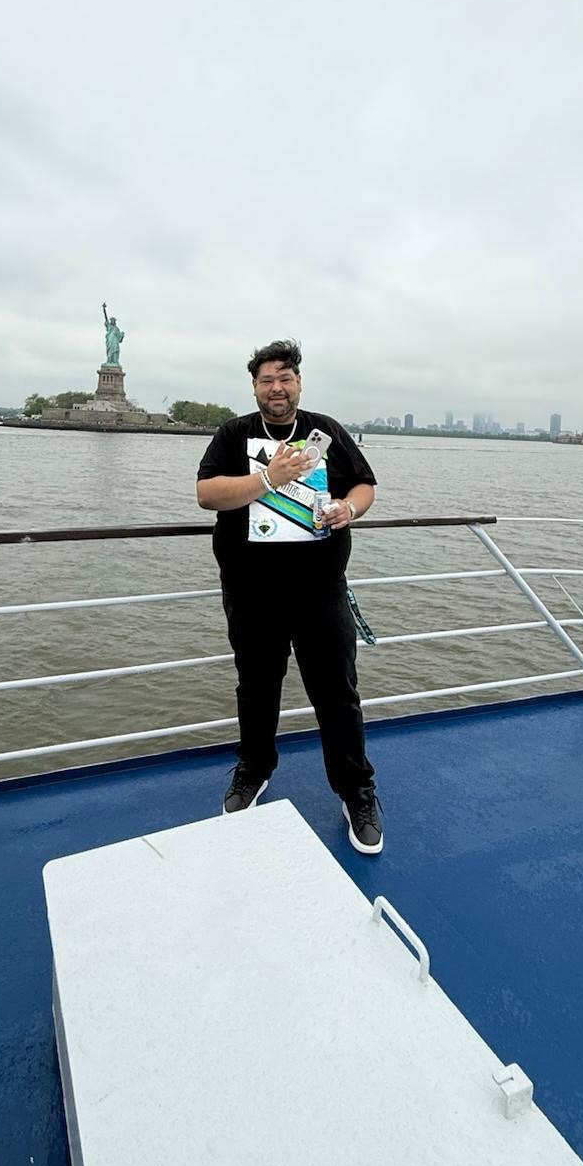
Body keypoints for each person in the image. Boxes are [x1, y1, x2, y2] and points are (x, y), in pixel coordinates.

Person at [196, 339, 383, 853]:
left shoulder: (328, 431)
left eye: (285, 378)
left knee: (337, 694)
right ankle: (254, 770)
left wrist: (349, 509)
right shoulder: (233, 434)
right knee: (257, 689)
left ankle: (356, 790)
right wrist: (267, 477)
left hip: (321, 590)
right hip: (251, 592)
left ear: (299, 383)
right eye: (266, 380)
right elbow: (207, 494)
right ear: (254, 387)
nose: (276, 388)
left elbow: (365, 485)